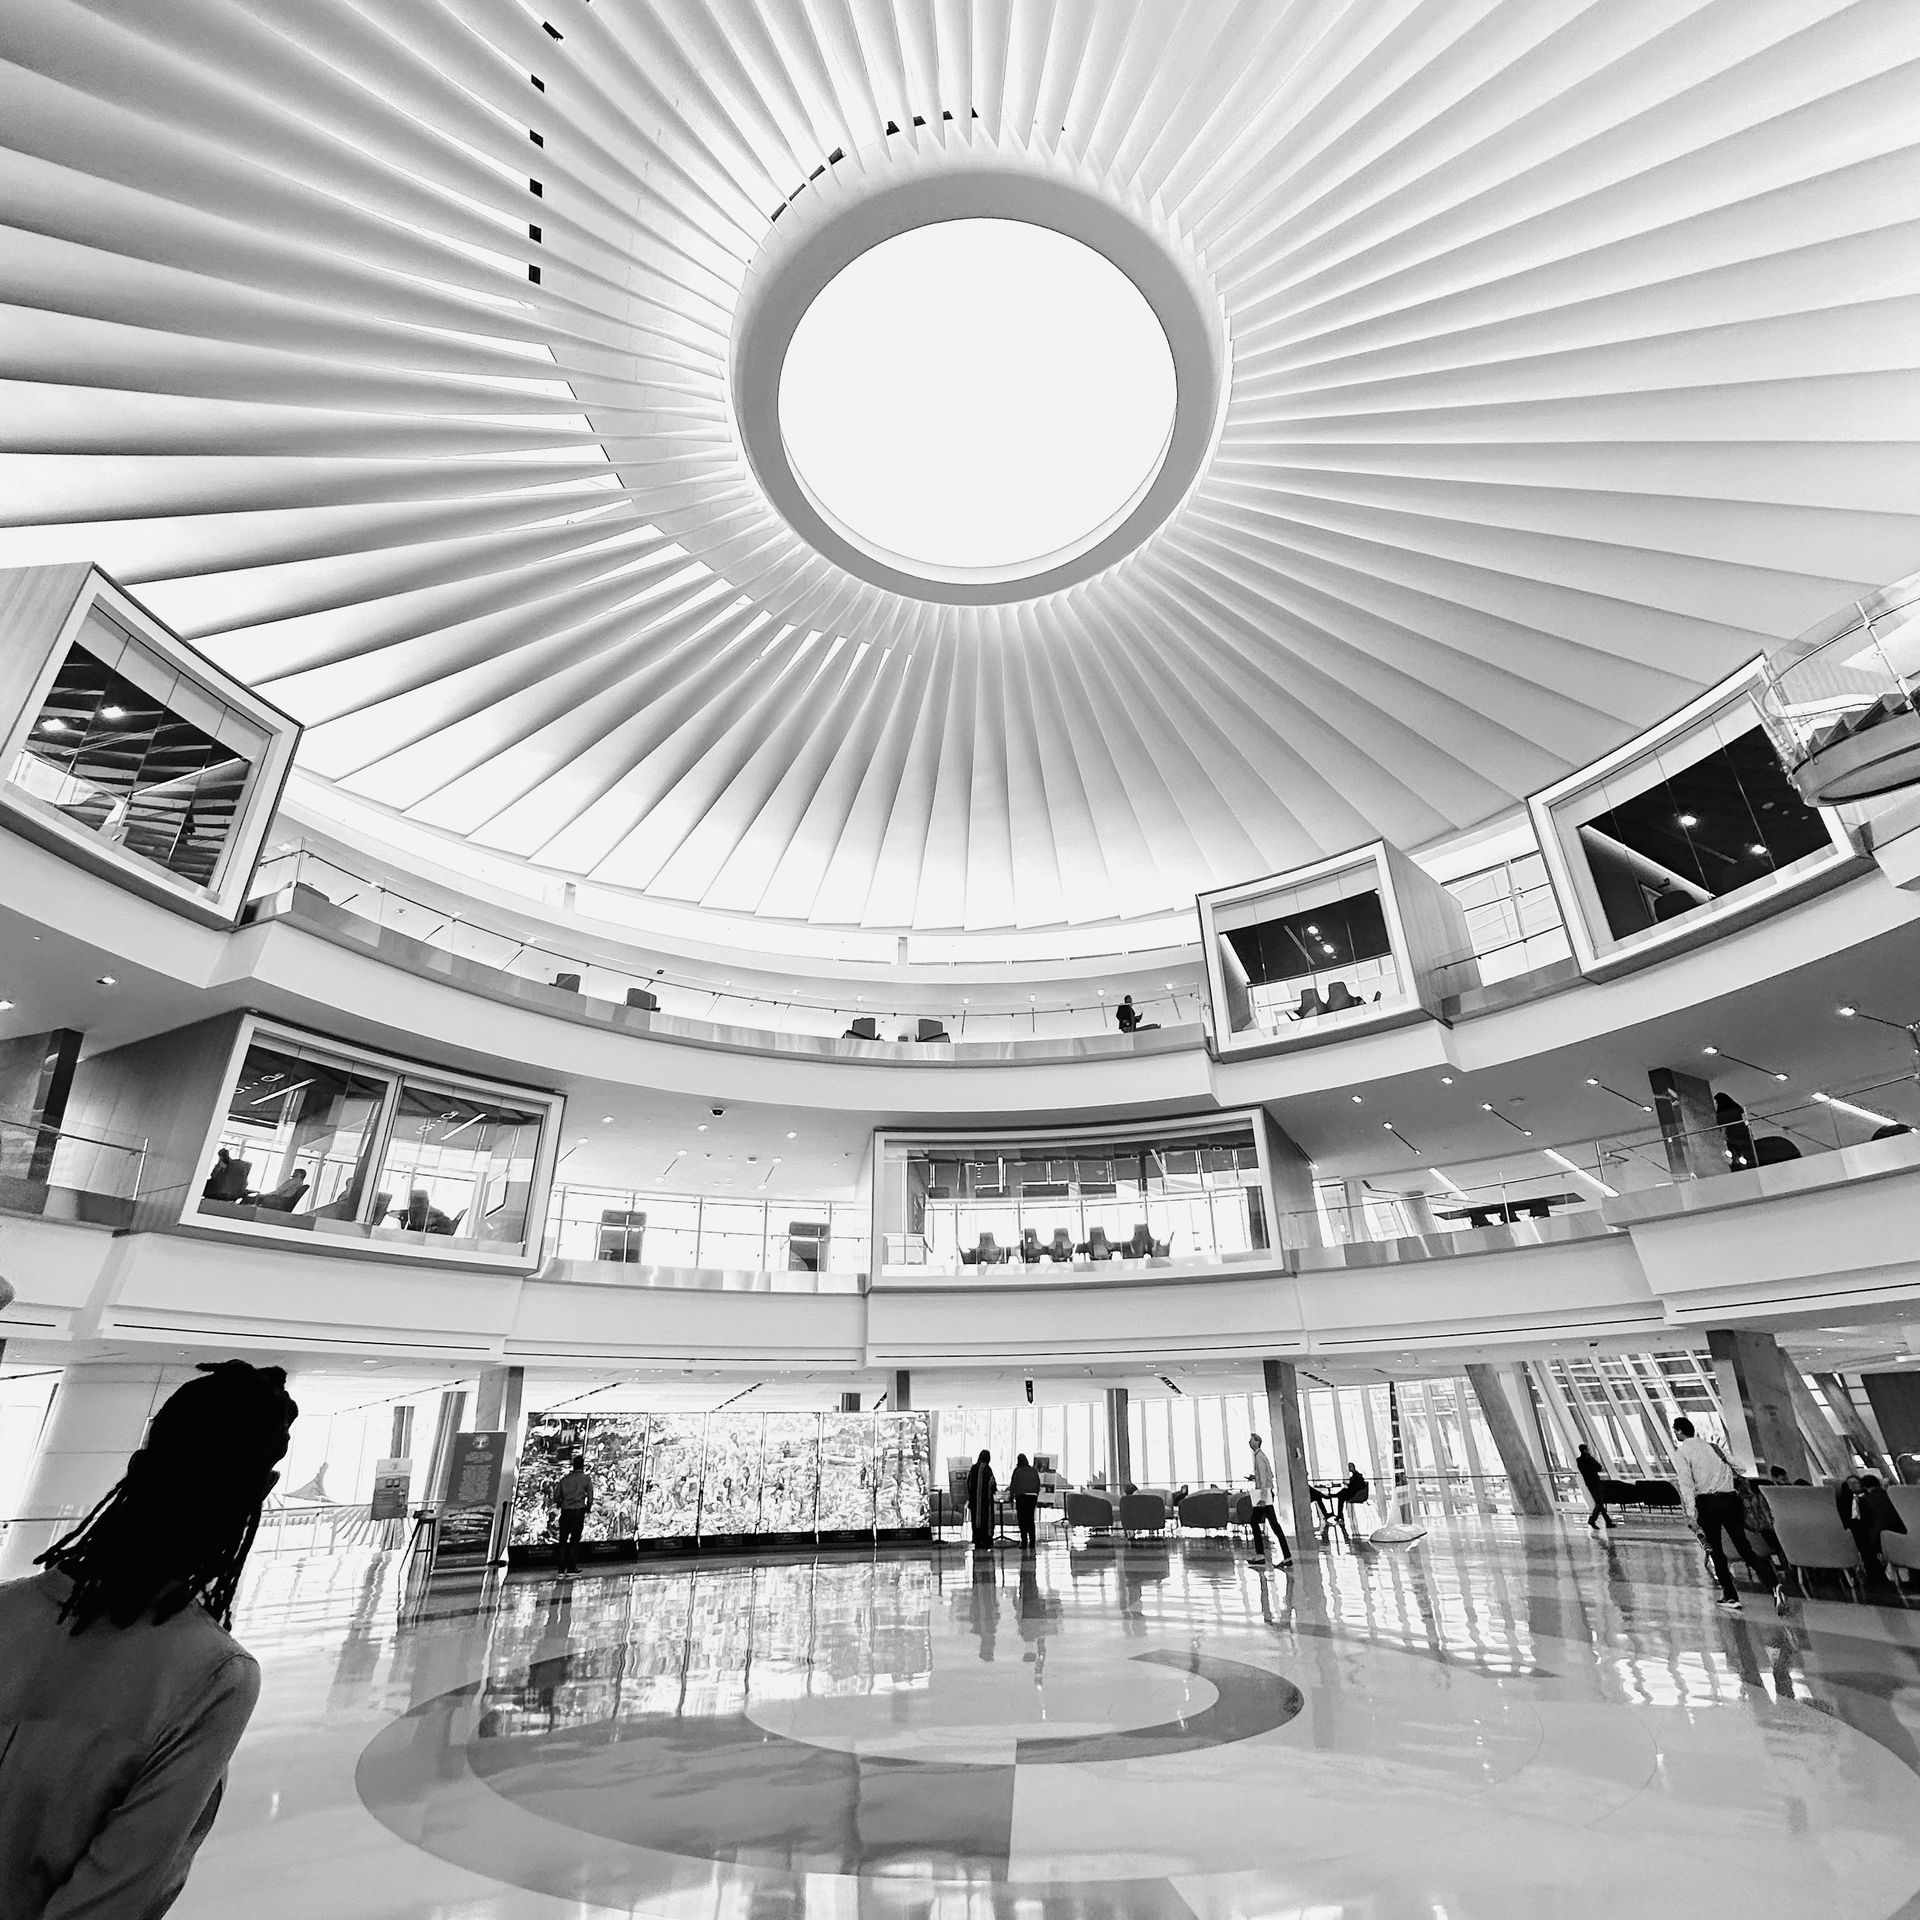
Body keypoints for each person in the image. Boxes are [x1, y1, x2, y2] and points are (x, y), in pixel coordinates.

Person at [0, 1360, 298, 1920]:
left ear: (139, 1466)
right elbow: (117, 1893)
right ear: (260, 1491)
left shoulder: (4, 1608)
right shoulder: (213, 1675)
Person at [1670, 1416, 1786, 1613]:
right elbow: (1740, 1467)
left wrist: (1690, 1514)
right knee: (1744, 1547)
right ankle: (1772, 1583)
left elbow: (1686, 1485)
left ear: (1680, 1431)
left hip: (1707, 1503)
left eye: (1675, 1430)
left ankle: (1731, 1595)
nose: (1675, 1433)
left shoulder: (1682, 1453)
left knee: (1714, 1549)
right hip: (1731, 1502)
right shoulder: (1714, 1447)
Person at [1245, 1433, 1292, 1570]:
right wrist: (1255, 1478)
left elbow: (1265, 1478)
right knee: (1266, 1523)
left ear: (1257, 1441)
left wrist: (1263, 1498)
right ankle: (1266, 1555)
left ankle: (1269, 1556)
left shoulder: (1259, 1457)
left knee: (1264, 1523)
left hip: (1264, 1494)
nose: (1249, 1442)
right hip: (1265, 1493)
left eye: (1251, 1440)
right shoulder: (1259, 1456)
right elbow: (1266, 1475)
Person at [551, 1453, 594, 1577]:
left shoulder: (565, 1479)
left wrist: (560, 1504)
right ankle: (571, 1568)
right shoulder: (586, 1479)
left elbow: (556, 1496)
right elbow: (590, 1496)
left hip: (566, 1512)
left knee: (563, 1540)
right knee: (575, 1540)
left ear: (573, 1465)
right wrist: (588, 1508)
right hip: (578, 1511)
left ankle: (560, 1569)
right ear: (583, 1466)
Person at [1576, 1442, 1616, 1530]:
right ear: (1585, 1450)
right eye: (1588, 1449)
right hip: (1595, 1482)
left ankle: (1607, 1521)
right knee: (1599, 1502)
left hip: (1589, 1483)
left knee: (1599, 1502)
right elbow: (1599, 1467)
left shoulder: (1579, 1460)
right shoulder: (1589, 1458)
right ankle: (1593, 1520)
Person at [1007, 1452, 1042, 1553]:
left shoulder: (1017, 1471)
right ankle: (1032, 1542)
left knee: (1022, 1519)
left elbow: (1014, 1484)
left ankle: (1024, 1541)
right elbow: (1037, 1483)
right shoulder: (1033, 1470)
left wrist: (1011, 1497)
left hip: (1021, 1496)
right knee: (1030, 1519)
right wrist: (1036, 1494)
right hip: (1032, 1497)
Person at [966, 1449, 998, 1550]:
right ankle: (986, 1539)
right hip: (985, 1502)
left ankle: (977, 1539)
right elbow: (992, 1483)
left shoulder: (973, 1468)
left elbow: (969, 1483)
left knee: (976, 1520)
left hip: (975, 1501)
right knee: (986, 1520)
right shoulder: (987, 1469)